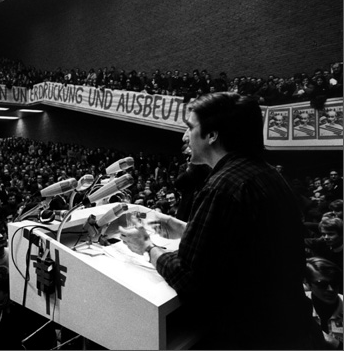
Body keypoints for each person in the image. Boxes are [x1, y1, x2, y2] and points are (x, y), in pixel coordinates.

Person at [119, 92, 321, 349]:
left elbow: (189, 281)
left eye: (190, 127)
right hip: (291, 328)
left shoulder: (222, 186)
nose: (184, 137)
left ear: (212, 134)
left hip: (254, 337)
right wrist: (185, 229)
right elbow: (242, 243)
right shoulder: (266, 173)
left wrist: (147, 246)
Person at [303, 257, 343, 349]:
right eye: (322, 284)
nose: (331, 289)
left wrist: (336, 344)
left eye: (335, 283)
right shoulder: (297, 306)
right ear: (307, 284)